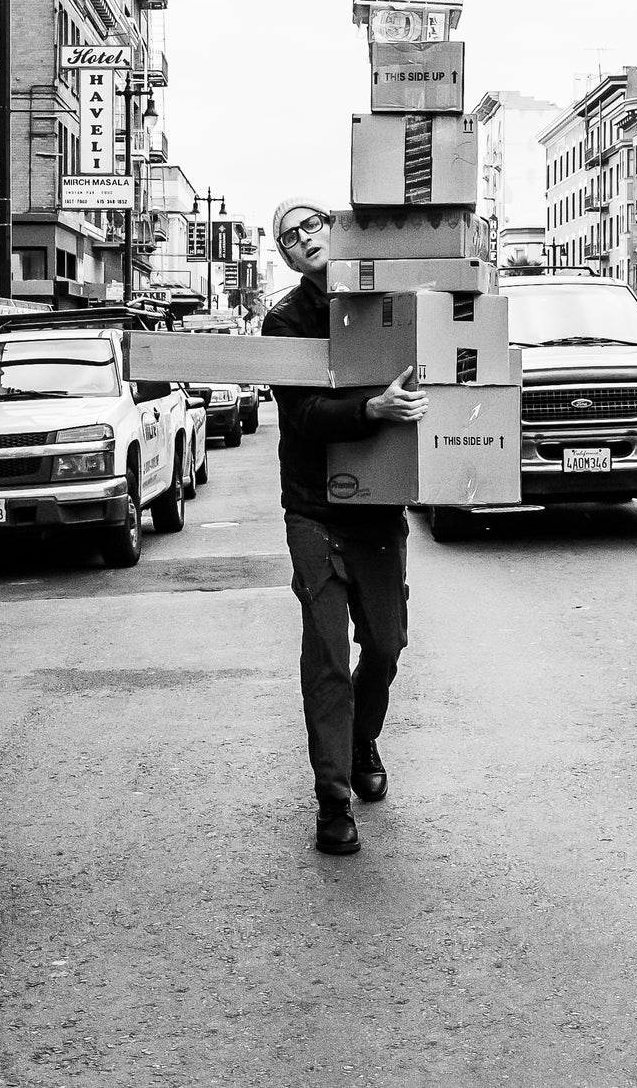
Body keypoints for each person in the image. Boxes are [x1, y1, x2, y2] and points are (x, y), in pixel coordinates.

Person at [263, 194, 427, 856]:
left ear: (333, 230)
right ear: (284, 257)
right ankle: (332, 800)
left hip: (376, 507)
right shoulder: (285, 320)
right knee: (327, 651)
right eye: (288, 236)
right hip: (312, 508)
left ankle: (362, 736)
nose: (303, 237)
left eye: (311, 224)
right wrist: (372, 409)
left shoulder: (387, 300)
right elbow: (301, 416)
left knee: (385, 646)